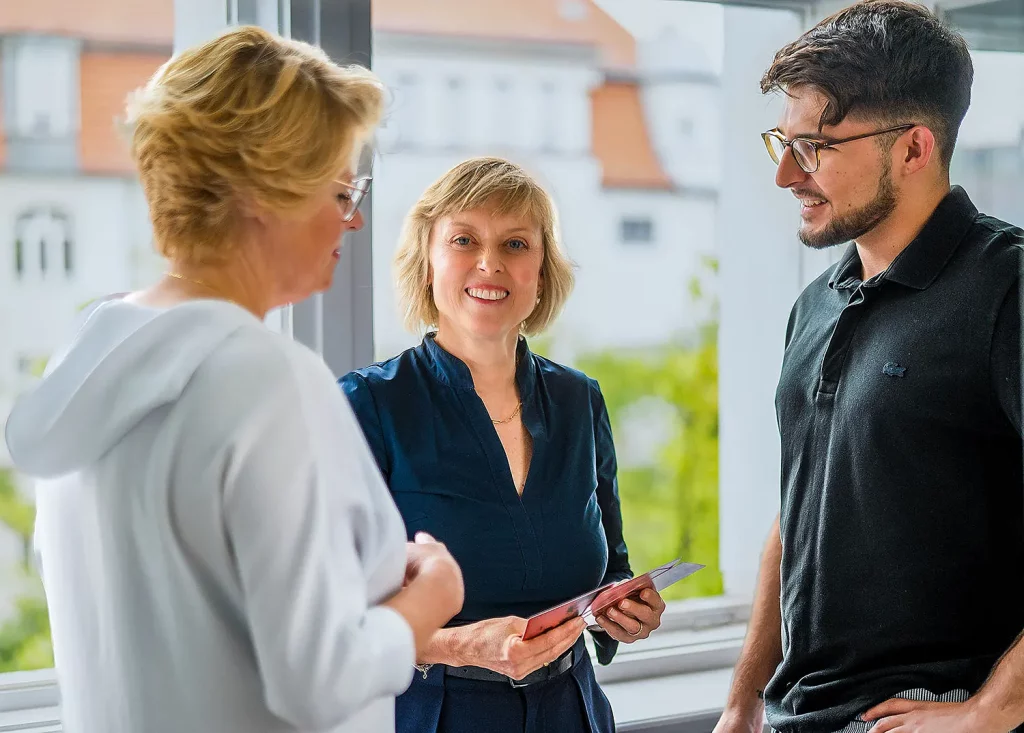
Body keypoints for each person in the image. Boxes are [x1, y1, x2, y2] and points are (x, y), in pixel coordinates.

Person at [3, 26, 463, 733]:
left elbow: (181, 588)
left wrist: (354, 567)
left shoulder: (94, 358)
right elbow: (322, 681)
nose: (355, 215)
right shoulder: (266, 378)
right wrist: (432, 592)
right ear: (262, 192)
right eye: (341, 189)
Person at [713, 2, 1024, 733]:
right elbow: (797, 515)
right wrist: (742, 701)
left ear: (915, 148)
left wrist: (994, 709)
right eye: (781, 144)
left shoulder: (1007, 289)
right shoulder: (814, 306)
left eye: (815, 147)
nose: (787, 174)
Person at [338, 156, 668, 733]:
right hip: (431, 715)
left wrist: (625, 610)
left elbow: (610, 567)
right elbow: (331, 622)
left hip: (573, 711)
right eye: (464, 239)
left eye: (516, 245)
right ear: (426, 264)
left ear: (540, 273)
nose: (490, 263)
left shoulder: (578, 400)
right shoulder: (368, 405)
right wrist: (460, 646)